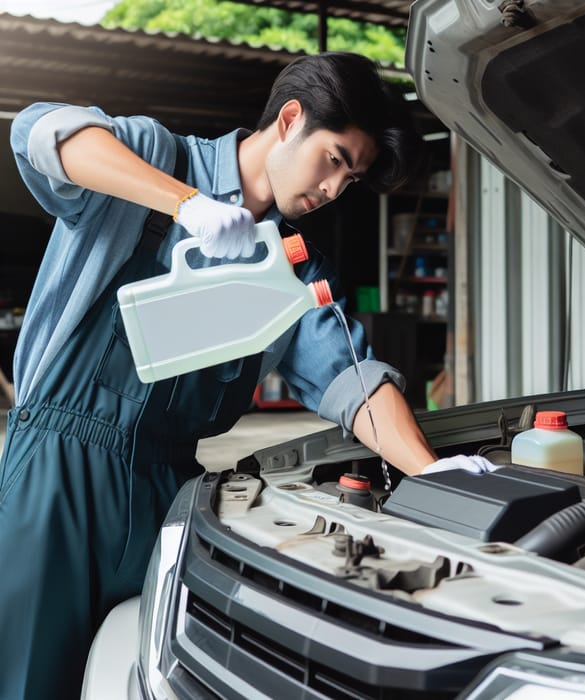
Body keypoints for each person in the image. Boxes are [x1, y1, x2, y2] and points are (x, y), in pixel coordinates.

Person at [1, 51, 492, 699]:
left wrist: (429, 471)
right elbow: (39, 133)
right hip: (60, 473)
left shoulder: (292, 269)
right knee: (29, 678)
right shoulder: (158, 158)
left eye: (352, 178)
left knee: (146, 676)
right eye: (335, 160)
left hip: (168, 488)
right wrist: (186, 207)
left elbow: (352, 380)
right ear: (290, 120)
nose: (334, 189)